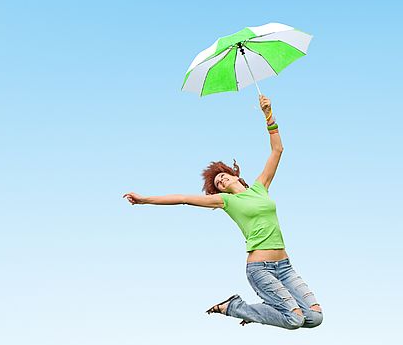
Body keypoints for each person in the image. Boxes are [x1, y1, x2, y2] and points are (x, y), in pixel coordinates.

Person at [123, 95, 323, 330]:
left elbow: (277, 149)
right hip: (260, 268)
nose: (221, 179)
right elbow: (183, 199)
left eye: (223, 174)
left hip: (285, 265)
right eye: (218, 182)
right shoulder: (226, 201)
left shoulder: (260, 187)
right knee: (295, 319)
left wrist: (268, 114)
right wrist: (145, 199)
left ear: (236, 174)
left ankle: (255, 312)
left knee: (314, 318)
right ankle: (234, 307)